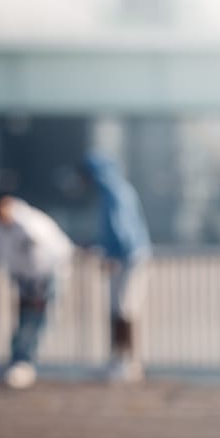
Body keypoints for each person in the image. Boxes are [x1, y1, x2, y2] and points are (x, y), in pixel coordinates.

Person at [0, 192, 75, 388]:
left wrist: (37, 289)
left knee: (39, 319)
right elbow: (6, 257)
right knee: (24, 317)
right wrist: (21, 283)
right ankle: (16, 359)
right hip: (24, 277)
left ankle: (26, 363)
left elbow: (39, 258)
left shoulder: (28, 225)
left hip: (49, 272)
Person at [80, 152, 152, 383]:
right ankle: (120, 360)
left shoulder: (113, 191)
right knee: (118, 309)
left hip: (127, 258)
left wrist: (111, 254)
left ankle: (126, 363)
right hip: (125, 257)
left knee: (123, 309)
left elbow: (121, 229)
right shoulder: (117, 189)